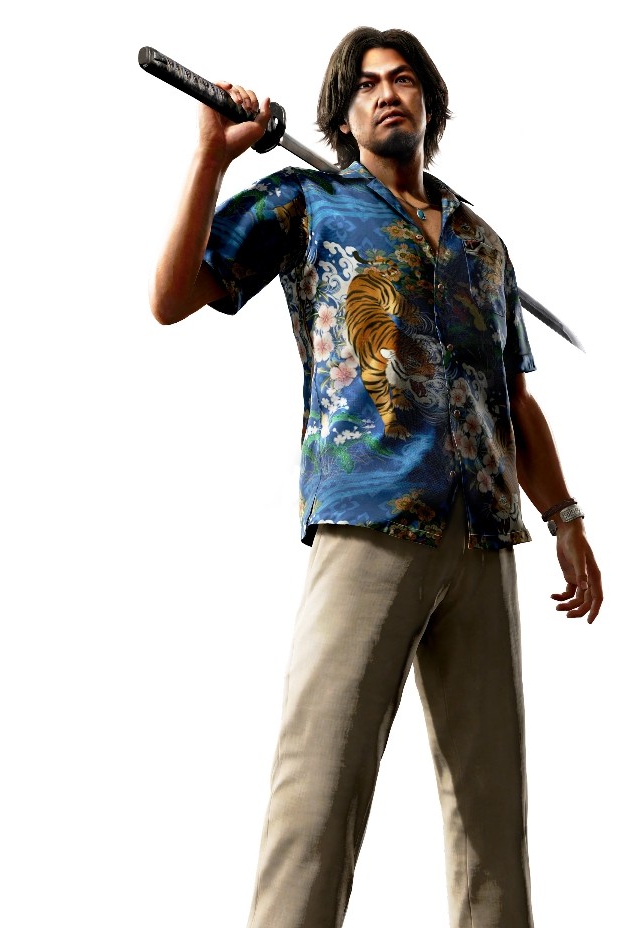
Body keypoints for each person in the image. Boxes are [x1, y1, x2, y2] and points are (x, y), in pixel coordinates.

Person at [149, 26, 603, 928]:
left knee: (492, 818)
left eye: (402, 80)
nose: (386, 93)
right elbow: (172, 298)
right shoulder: (306, 202)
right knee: (316, 794)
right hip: (369, 523)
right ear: (343, 114)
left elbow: (512, 399)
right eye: (365, 85)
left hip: (483, 536)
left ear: (428, 101)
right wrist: (210, 157)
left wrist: (565, 518)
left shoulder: (481, 241)